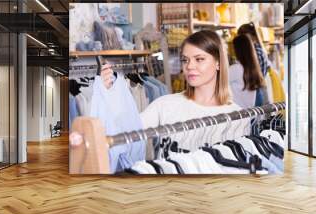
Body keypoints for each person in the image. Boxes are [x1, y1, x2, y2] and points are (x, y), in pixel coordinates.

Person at [100, 30, 248, 153]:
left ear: (218, 63)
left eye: (199, 59)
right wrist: (109, 95)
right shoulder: (165, 105)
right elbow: (123, 131)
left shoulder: (238, 117)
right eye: (185, 60)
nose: (189, 66)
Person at [229, 34, 266, 109]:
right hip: (249, 115)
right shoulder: (253, 68)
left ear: (237, 50)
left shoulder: (235, 69)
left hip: (236, 116)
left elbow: (216, 83)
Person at [237, 22, 270, 106]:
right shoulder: (260, 49)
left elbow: (252, 75)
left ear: (252, 36)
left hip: (256, 90)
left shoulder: (255, 52)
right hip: (259, 89)